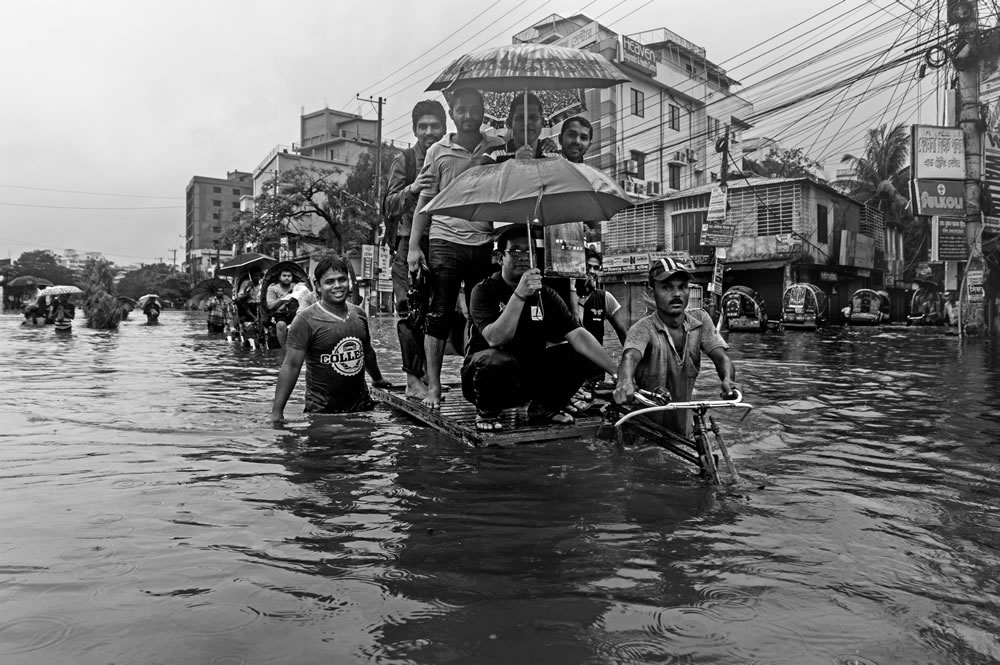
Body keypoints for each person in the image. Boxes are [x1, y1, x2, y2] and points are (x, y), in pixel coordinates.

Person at [462, 225, 618, 432]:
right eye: (516, 251)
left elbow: (577, 334)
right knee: (495, 360)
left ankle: (544, 407)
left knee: (583, 353)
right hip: (486, 381)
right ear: (500, 258)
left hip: (527, 378)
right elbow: (496, 339)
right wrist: (519, 295)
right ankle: (487, 412)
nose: (524, 257)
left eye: (530, 252)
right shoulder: (483, 291)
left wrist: (618, 373)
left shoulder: (545, 294)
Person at [408, 87, 506, 409]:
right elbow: (425, 198)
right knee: (440, 313)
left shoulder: (496, 146)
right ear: (452, 114)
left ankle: (475, 380)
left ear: (482, 111)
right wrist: (413, 247)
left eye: (473, 109)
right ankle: (434, 386)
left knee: (483, 316)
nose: (467, 116)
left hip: (484, 242)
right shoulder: (437, 151)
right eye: (460, 110)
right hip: (445, 240)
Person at [613, 257, 738, 437]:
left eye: (682, 287)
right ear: (652, 291)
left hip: (682, 430)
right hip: (642, 432)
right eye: (667, 287)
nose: (677, 294)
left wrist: (728, 380)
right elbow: (629, 358)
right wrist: (624, 382)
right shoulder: (642, 329)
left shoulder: (701, 321)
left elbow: (721, 358)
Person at [271, 255, 391, 424]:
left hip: (361, 407)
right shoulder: (305, 321)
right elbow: (291, 365)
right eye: (329, 282)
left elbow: (367, 351)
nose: (337, 286)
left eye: (342, 280)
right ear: (317, 286)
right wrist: (277, 413)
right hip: (322, 411)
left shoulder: (359, 314)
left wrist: (377, 379)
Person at [384, 100, 446, 399]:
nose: (429, 132)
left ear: (445, 129)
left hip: (443, 241)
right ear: (414, 130)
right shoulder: (405, 160)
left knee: (436, 312)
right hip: (407, 244)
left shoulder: (448, 157)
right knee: (409, 310)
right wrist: (412, 188)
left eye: (435, 126)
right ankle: (412, 379)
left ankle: (427, 376)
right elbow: (388, 203)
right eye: (423, 126)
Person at [482, 92, 559, 164]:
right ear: (510, 123)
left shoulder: (555, 157)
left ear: (542, 122)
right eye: (521, 118)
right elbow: (486, 178)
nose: (527, 122)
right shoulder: (493, 155)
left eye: (533, 117)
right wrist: (515, 164)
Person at [266, 268, 297, 346]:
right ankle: (283, 348)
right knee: (281, 324)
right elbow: (270, 306)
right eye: (284, 275)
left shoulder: (296, 287)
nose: (287, 277)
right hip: (278, 315)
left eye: (289, 276)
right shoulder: (273, 288)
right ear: (279, 277)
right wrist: (284, 297)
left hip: (295, 313)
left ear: (292, 277)